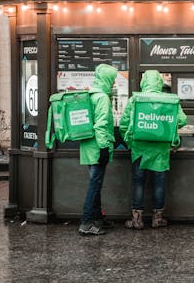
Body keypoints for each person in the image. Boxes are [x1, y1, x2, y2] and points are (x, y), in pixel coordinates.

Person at [120, 70, 187, 229]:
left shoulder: (135, 100)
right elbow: (183, 120)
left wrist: (130, 143)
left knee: (138, 182)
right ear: (159, 82)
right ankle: (157, 219)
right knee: (159, 183)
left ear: (144, 82)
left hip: (139, 149)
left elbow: (124, 125)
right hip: (160, 150)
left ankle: (137, 220)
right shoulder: (169, 100)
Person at [78, 64, 118, 236]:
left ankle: (98, 219)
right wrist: (103, 148)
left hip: (88, 146)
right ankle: (86, 223)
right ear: (107, 79)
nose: (115, 83)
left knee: (96, 184)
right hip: (97, 147)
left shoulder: (90, 94)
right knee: (94, 185)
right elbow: (101, 126)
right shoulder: (102, 98)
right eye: (113, 79)